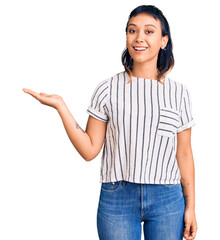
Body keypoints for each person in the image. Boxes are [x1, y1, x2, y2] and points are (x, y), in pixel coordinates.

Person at [23, 4, 198, 240]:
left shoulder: (179, 94)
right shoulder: (107, 89)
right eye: (132, 30)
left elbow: (184, 154)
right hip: (117, 198)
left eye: (149, 31)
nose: (139, 38)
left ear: (163, 40)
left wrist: (191, 207)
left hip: (167, 198)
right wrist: (61, 107)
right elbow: (89, 150)